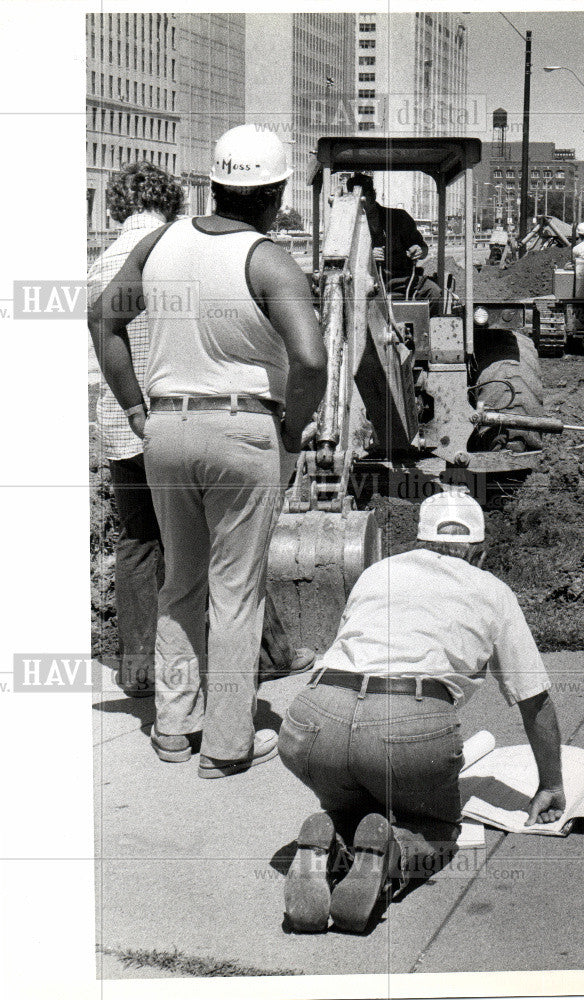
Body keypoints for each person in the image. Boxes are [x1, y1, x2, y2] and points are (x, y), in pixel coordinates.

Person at [88, 125, 328, 778]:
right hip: (243, 429)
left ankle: (173, 727)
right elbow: (310, 357)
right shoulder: (269, 259)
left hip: (166, 429)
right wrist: (293, 428)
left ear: (214, 184)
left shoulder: (160, 242)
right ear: (274, 193)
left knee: (180, 583)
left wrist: (136, 405)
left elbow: (102, 321)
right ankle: (226, 744)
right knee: (235, 592)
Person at [279, 491, 566, 934]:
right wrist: (551, 783)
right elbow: (536, 701)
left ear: (418, 542)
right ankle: (393, 853)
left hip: (313, 716)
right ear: (481, 552)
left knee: (355, 798)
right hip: (408, 723)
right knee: (436, 829)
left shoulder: (378, 572)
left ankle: (328, 836)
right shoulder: (492, 590)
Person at [87, 162, 184, 698]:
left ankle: (138, 669)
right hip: (176, 416)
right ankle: (255, 655)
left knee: (137, 540)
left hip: (124, 425)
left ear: (119, 206)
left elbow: (97, 348)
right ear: (169, 202)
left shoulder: (101, 264)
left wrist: (126, 410)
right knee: (205, 539)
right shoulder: (173, 254)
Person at [345, 172, 442, 315]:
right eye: (358, 198)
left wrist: (419, 250)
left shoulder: (399, 218)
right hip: (366, 283)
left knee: (434, 293)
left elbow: (423, 248)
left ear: (373, 195)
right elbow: (341, 261)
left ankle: (425, 334)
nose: (363, 201)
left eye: (366, 196)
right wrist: (367, 256)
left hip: (403, 281)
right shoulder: (346, 225)